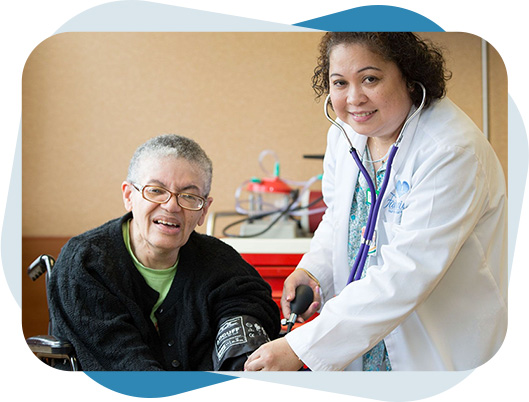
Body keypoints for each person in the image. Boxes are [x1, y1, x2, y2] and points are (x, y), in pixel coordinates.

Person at [244, 32, 507, 371]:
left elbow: (406, 272)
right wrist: (314, 270)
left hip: (436, 353)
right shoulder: (347, 134)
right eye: (339, 83)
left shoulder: (450, 151)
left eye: (370, 78)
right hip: (364, 350)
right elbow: (340, 217)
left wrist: (299, 348)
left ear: (409, 77)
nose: (354, 98)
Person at [48, 134, 280, 371]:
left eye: (189, 196)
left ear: (203, 211)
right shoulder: (86, 263)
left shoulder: (221, 263)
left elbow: (249, 309)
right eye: (156, 190)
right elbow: (124, 365)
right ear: (129, 196)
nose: (171, 206)